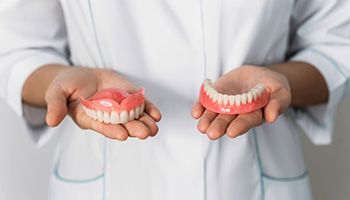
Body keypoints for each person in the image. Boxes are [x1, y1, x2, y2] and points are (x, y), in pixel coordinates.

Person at [0, 0, 349, 199]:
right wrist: (59, 82)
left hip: (248, 184)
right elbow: (18, 47)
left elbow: (336, 43)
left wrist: (282, 82)